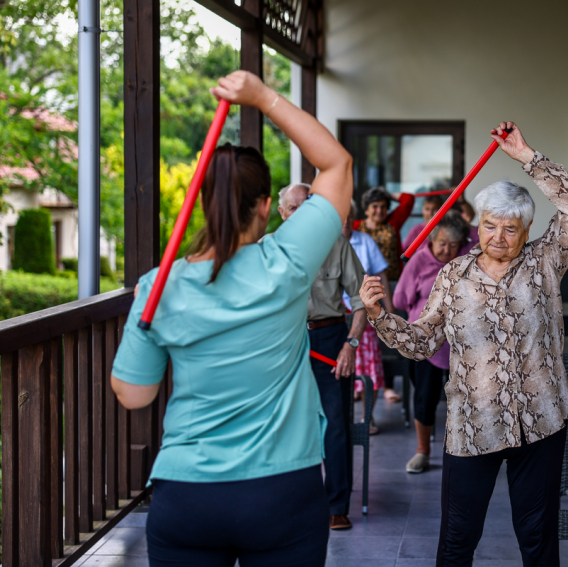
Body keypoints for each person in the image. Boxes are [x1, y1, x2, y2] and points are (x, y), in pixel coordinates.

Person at [109, 70, 352, 565]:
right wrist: (262, 98)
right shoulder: (287, 263)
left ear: (203, 203)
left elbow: (134, 395)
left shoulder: (161, 286)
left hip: (187, 494)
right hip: (282, 492)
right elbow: (336, 163)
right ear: (266, 207)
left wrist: (144, 308)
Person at [360, 122, 568, 567]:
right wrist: (381, 318)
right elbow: (422, 340)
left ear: (526, 231)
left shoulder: (544, 262)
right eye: (489, 226)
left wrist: (527, 156)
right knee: (457, 539)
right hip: (472, 426)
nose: (498, 238)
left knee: (538, 539)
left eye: (509, 229)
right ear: (476, 226)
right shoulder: (453, 276)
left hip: (540, 420)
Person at [279, 183, 366, 531]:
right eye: (293, 208)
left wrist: (351, 345)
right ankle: (288, 501)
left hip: (331, 340)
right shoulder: (270, 249)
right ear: (282, 212)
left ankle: (337, 504)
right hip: (286, 342)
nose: (300, 214)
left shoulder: (336, 244)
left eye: (306, 206)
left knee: (335, 425)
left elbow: (363, 303)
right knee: (285, 424)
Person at [392, 211, 470, 474]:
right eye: (442, 243)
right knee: (424, 396)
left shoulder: (467, 260)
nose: (447, 250)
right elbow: (400, 301)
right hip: (425, 342)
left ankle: (466, 450)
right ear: (432, 240)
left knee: (466, 397)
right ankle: (422, 451)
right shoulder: (419, 262)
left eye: (453, 245)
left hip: (462, 342)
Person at [354, 186, 414, 403]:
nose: (379, 211)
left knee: (389, 332)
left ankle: (388, 385)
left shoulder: (392, 222)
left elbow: (408, 200)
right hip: (365, 290)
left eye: (383, 206)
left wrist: (387, 193)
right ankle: (361, 384)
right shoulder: (355, 228)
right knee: (367, 339)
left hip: (392, 285)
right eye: (375, 206)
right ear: (366, 209)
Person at [342, 200, 396, 434]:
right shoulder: (323, 243)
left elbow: (381, 274)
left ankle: (368, 418)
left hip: (363, 312)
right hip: (334, 313)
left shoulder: (364, 241)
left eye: (347, 217)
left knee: (369, 368)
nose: (343, 222)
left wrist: (389, 307)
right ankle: (342, 418)